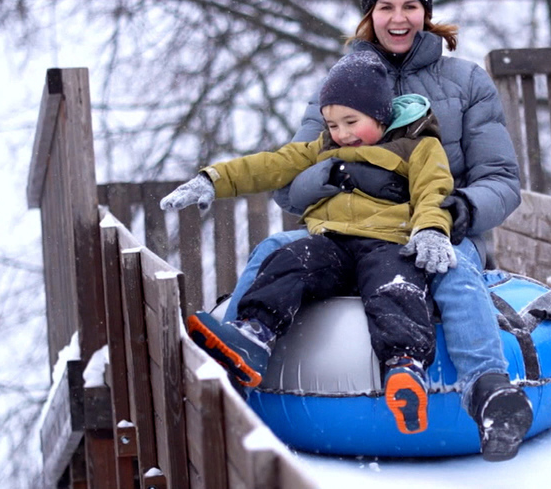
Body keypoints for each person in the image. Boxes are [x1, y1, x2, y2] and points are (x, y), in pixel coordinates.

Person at [224, 0, 533, 461]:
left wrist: (453, 214)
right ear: (369, 13)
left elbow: (502, 179)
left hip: (437, 231)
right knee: (275, 248)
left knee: (453, 273)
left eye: (410, 5)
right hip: (348, 235)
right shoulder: (341, 85)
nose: (398, 18)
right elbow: (287, 184)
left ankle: (489, 390)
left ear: (426, 12)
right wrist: (339, 173)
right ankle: (231, 366)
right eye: (385, 6)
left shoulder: (466, 82)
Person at [160, 51, 458, 435]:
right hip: (332, 244)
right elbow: (270, 164)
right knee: (289, 260)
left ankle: (405, 368)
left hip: (389, 242)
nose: (342, 133)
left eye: (352, 121)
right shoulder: (321, 147)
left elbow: (434, 190)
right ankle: (254, 336)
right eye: (333, 124)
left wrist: (431, 229)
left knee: (396, 287)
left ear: (381, 116)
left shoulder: (417, 145)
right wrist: (213, 179)